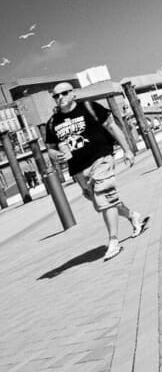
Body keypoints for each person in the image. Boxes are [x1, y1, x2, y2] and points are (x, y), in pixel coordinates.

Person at [44, 83, 148, 261]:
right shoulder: (53, 122)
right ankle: (133, 216)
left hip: (101, 159)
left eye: (64, 94)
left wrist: (128, 150)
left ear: (73, 94)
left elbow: (113, 127)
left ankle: (113, 242)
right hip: (78, 169)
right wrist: (57, 156)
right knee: (104, 202)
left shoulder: (90, 108)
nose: (60, 98)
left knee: (103, 198)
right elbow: (51, 148)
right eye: (56, 96)